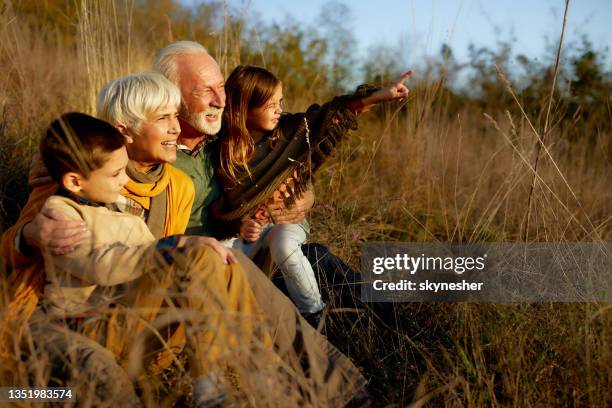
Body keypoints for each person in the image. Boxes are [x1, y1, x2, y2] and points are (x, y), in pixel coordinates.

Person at [0, 71, 370, 406]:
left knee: (227, 262)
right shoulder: (76, 168)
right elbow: (28, 242)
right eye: (163, 118)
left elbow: (264, 166)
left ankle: (335, 389)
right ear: (123, 130)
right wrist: (30, 236)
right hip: (71, 318)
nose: (176, 127)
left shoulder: (175, 182)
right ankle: (231, 381)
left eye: (175, 115)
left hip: (144, 308)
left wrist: (296, 195)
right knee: (92, 377)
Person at [37, 111, 270, 406]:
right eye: (114, 174)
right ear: (74, 181)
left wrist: (183, 251)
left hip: (136, 325)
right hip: (95, 327)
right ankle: (209, 384)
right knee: (194, 251)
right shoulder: (62, 214)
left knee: (218, 260)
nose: (124, 181)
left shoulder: (121, 215)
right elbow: (101, 265)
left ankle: (261, 367)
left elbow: (154, 263)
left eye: (124, 169)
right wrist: (173, 246)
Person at [213, 65, 410, 326]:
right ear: (243, 108)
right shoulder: (224, 153)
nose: (279, 109)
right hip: (251, 239)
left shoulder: (288, 131)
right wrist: (242, 224)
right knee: (224, 260)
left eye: (280, 102)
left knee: (288, 246)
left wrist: (376, 97)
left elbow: (329, 116)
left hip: (286, 229)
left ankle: (316, 316)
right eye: (270, 105)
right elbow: (226, 207)